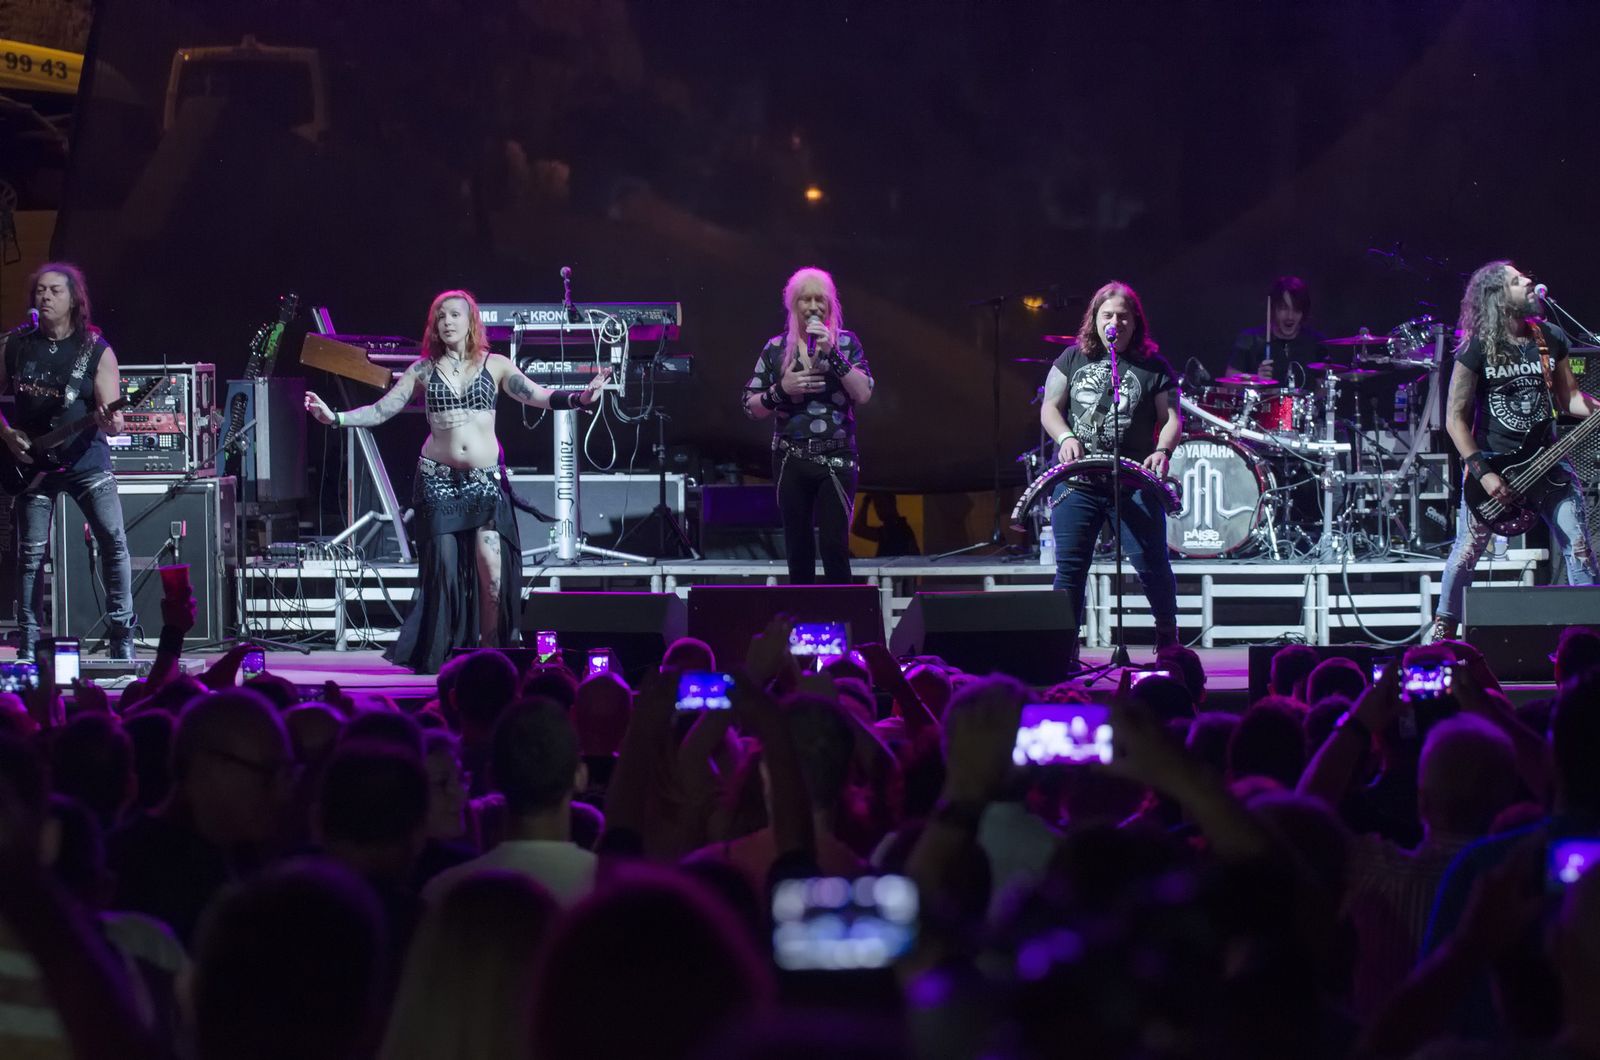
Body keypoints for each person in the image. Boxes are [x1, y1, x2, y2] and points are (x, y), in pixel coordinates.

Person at [305, 289, 608, 673]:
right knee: (444, 570)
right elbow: (383, 410)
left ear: (471, 322)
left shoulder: (495, 365)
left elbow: (537, 395)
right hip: (436, 482)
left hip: (483, 484)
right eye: (440, 316)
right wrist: (336, 418)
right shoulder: (422, 370)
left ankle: (491, 655)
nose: (447, 321)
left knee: (492, 573)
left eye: (454, 315)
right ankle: (441, 658)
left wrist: (579, 398)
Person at [1428, 261, 1600, 643]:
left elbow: (1568, 398)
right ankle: (1443, 630)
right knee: (1467, 552)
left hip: (1548, 460)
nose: (1528, 281)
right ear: (1497, 297)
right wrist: (1483, 472)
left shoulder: (1550, 337)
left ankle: (1588, 636)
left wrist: (1594, 407)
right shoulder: (1475, 347)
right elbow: (1455, 419)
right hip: (1496, 466)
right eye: (1516, 280)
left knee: (1578, 543)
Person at [1039, 280, 1182, 654]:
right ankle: (1063, 650)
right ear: (1095, 319)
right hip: (1079, 482)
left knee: (1152, 565)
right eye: (1107, 315)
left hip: (1133, 481)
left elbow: (1171, 417)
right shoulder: (1071, 358)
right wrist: (1066, 438)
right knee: (1070, 571)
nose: (1114, 322)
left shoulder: (1154, 366)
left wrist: (1163, 450)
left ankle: (1168, 640)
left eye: (1122, 316)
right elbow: (1049, 408)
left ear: (1135, 322)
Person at [0, 263, 134, 661]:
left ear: (75, 299)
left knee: (113, 541)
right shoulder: (16, 346)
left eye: (55, 290)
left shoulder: (96, 350)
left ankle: (121, 636)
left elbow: (113, 419)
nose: (45, 297)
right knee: (31, 555)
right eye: (40, 290)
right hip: (31, 464)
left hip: (86, 461)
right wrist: (7, 434)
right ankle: (27, 643)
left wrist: (113, 421)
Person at [741, 267, 874, 584]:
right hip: (791, 458)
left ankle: (843, 625)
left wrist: (834, 355)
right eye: (806, 299)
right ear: (793, 305)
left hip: (837, 457)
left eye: (820, 299)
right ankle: (799, 626)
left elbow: (864, 392)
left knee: (833, 547)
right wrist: (781, 391)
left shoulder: (846, 343)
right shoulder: (775, 349)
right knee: (798, 551)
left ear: (830, 305)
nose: (814, 306)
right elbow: (750, 405)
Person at [1227, 275, 1329, 385]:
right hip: (1261, 402)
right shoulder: (1250, 339)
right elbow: (1228, 382)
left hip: (1303, 402)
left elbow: (1323, 389)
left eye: (1296, 309)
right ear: (1273, 308)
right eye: (1284, 308)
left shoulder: (1316, 343)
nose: (1290, 316)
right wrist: (1255, 381)